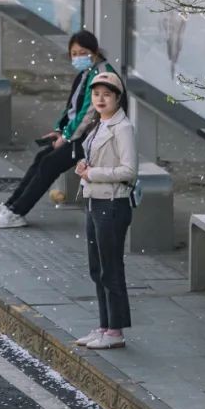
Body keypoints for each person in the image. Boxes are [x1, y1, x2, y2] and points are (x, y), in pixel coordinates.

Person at [0, 30, 115, 229]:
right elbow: (72, 108)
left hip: (97, 138)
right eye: (74, 54)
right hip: (84, 136)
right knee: (41, 160)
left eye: (83, 52)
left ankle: (17, 212)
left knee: (49, 164)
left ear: (95, 52)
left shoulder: (102, 75)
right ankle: (11, 206)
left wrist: (67, 137)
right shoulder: (87, 72)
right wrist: (60, 131)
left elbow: (88, 113)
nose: (79, 57)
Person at [73, 70, 138, 350]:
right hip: (95, 199)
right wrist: (83, 169)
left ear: (118, 99)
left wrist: (93, 173)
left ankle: (115, 330)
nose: (100, 99)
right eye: (96, 94)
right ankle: (104, 324)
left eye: (106, 95)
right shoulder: (100, 123)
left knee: (111, 268)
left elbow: (129, 171)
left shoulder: (122, 128)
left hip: (112, 203)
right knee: (97, 267)